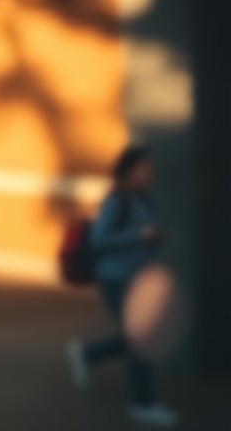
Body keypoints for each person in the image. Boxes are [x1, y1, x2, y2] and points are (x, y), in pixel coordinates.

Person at [66, 145, 180, 428]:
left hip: (138, 278)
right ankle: (144, 404)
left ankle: (86, 353)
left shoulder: (146, 199)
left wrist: (154, 238)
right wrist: (139, 235)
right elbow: (98, 240)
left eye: (151, 167)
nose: (150, 172)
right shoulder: (115, 202)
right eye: (145, 167)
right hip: (115, 279)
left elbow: (145, 237)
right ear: (129, 170)